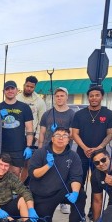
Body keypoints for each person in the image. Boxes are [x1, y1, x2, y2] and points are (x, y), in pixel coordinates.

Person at [28, 127, 86, 222]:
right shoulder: (41, 152)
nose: (61, 138)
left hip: (61, 191)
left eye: (64, 136)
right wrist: (48, 165)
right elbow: (33, 174)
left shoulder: (73, 156)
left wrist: (75, 193)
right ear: (52, 139)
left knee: (80, 194)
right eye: (58, 135)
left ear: (68, 139)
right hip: (43, 194)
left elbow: (76, 177)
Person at [71, 85, 112, 193]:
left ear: (102, 97)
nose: (94, 98)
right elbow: (75, 133)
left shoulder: (109, 114)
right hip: (82, 154)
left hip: (100, 156)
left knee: (98, 184)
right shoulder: (79, 114)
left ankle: (94, 209)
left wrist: (99, 148)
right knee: (78, 183)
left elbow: (110, 134)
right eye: (91, 96)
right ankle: (78, 208)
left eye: (97, 95)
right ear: (88, 98)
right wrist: (85, 148)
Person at [38, 87, 75, 215]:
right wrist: (40, 148)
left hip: (64, 150)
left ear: (66, 97)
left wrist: (60, 133)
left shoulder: (71, 114)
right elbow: (42, 132)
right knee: (48, 175)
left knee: (64, 176)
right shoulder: (47, 113)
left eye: (62, 96)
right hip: (48, 149)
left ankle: (63, 202)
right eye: (57, 96)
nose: (59, 98)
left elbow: (72, 134)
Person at [0, 153, 37, 222]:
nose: (2, 168)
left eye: (6, 166)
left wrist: (31, 209)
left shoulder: (10, 176)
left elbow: (24, 191)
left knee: (23, 199)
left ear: (9, 167)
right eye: (0, 164)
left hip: (6, 205)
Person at [0, 80, 34, 178]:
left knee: (16, 172)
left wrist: (29, 146)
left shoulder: (24, 107)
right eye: (7, 89)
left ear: (17, 90)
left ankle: (13, 193)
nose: (10, 91)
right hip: (1, 147)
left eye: (12, 88)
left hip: (18, 147)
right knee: (1, 172)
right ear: (4, 91)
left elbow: (30, 128)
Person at [15, 75, 46, 147]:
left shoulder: (40, 101)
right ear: (24, 85)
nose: (29, 88)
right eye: (27, 86)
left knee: (27, 157)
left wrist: (37, 135)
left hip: (31, 134)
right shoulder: (16, 98)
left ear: (35, 88)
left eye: (31, 87)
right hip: (16, 133)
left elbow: (42, 120)